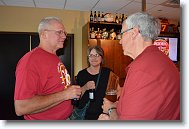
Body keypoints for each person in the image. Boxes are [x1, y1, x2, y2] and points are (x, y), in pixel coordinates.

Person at [98, 12, 180, 120]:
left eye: (122, 34)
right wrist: (118, 104)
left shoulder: (141, 70)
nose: (120, 41)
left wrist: (110, 110)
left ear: (134, 33)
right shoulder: (162, 59)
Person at [14, 17, 82, 120]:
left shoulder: (54, 57)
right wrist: (65, 94)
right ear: (44, 34)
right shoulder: (30, 61)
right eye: (59, 32)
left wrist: (69, 92)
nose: (64, 36)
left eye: (64, 33)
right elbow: (21, 107)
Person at [74, 46, 119, 120]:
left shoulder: (108, 72)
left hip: (104, 114)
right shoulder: (81, 74)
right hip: (85, 114)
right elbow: (75, 97)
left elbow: (118, 90)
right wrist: (85, 87)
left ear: (102, 58)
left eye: (97, 55)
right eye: (91, 55)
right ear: (88, 58)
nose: (94, 58)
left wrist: (113, 106)